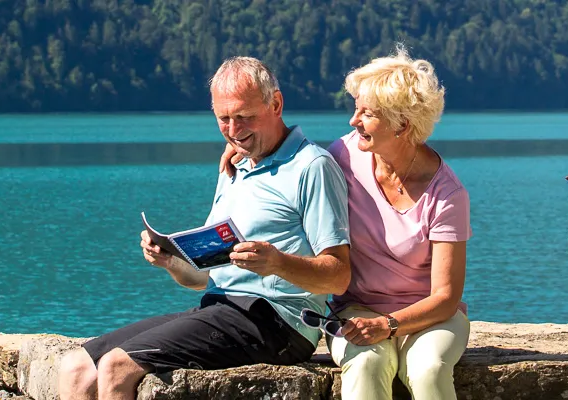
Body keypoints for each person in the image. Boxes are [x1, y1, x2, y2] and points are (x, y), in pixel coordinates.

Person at [57, 56, 352, 400]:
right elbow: (201, 280)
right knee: (77, 366)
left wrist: (277, 263)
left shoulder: (312, 167)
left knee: (116, 367)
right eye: (223, 118)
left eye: (244, 117)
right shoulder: (235, 167)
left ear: (276, 103)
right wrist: (172, 261)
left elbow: (338, 275)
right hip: (219, 307)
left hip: (278, 324)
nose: (234, 129)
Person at [219, 46, 471, 400]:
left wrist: (388, 325)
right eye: (356, 108)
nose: (354, 121)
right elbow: (294, 161)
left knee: (428, 370)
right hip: (355, 310)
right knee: (366, 365)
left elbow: (446, 297)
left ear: (402, 124)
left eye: (366, 113)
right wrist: (246, 149)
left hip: (431, 318)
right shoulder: (344, 155)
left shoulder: (448, 195)